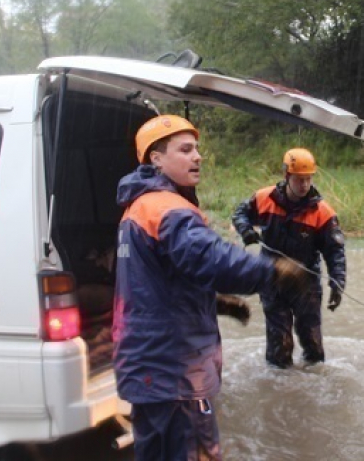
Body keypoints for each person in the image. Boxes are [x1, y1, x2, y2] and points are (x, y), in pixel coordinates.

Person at [112, 114, 307, 461]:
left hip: (147, 366)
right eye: (185, 150)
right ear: (155, 158)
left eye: (197, 149)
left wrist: (214, 301)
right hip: (175, 370)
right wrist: (272, 270)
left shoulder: (136, 209)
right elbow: (210, 257)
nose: (197, 157)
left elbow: (155, 283)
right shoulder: (167, 208)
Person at [232, 147, 346, 369]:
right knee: (279, 348)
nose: (304, 185)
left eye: (308, 179)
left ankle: (313, 387)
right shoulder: (264, 198)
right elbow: (240, 214)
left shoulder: (323, 213)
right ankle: (280, 387)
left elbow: (335, 252)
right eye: (299, 179)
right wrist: (246, 230)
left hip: (306, 284)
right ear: (287, 177)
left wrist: (337, 283)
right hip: (272, 279)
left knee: (313, 345)